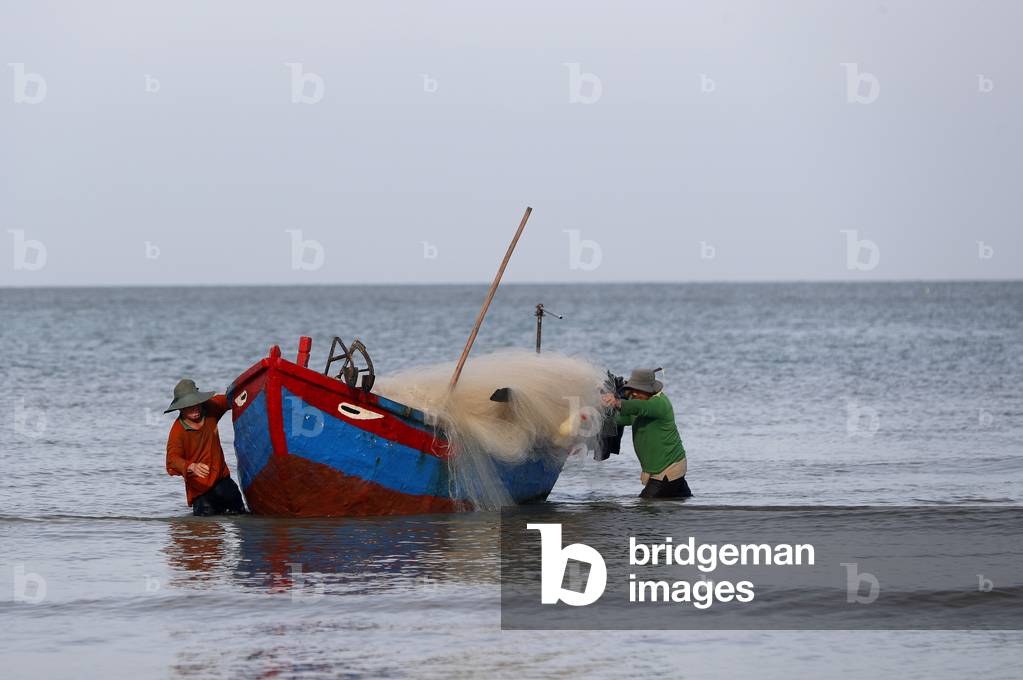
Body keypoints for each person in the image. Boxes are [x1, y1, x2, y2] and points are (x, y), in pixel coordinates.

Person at [602, 368, 692, 499]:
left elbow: (638, 407)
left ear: (649, 390)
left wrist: (617, 402)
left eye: (638, 391)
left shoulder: (659, 403)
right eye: (632, 390)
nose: (634, 394)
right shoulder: (641, 404)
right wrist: (600, 416)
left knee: (645, 505)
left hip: (668, 468)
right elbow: (623, 419)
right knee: (682, 498)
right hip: (665, 467)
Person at [164, 378, 248, 516]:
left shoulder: (210, 407)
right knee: (204, 530)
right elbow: (172, 459)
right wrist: (191, 466)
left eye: (197, 403)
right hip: (200, 491)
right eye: (189, 405)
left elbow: (230, 398)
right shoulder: (177, 431)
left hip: (223, 481)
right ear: (180, 408)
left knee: (241, 516)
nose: (195, 407)